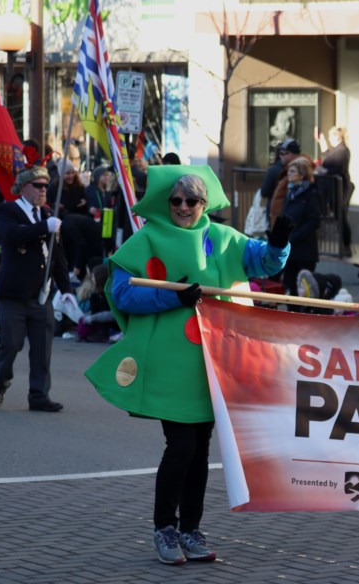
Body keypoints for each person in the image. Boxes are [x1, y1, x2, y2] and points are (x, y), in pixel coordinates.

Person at [84, 164, 291, 565]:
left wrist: (279, 244)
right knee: (181, 446)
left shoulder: (224, 238)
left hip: (214, 363)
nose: (182, 206)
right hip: (170, 362)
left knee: (199, 450)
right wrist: (173, 298)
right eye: (176, 200)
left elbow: (265, 263)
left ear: (204, 203)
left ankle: (191, 530)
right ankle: (164, 528)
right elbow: (123, 293)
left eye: (191, 200)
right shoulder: (148, 239)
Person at [0, 165, 72, 412]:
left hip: (41, 294)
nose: (43, 190)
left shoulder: (48, 215)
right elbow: (10, 236)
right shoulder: (8, 210)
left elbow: (58, 255)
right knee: (11, 345)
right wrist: (44, 228)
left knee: (42, 349)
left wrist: (66, 289)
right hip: (14, 294)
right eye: (38, 185)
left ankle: (38, 395)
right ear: (23, 187)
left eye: (46, 185)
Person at [280, 157, 322, 304]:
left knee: (303, 290)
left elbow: (314, 221)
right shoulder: (290, 192)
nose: (288, 175)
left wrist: (295, 236)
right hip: (290, 249)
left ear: (302, 174)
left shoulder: (311, 194)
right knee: (290, 286)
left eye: (292, 171)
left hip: (304, 251)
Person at [315, 126, 353, 256]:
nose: (330, 139)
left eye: (331, 136)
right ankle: (345, 246)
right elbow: (329, 157)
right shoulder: (338, 150)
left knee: (340, 217)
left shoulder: (342, 150)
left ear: (337, 137)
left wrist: (323, 171)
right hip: (332, 190)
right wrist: (322, 142)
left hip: (337, 190)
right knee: (338, 217)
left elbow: (337, 168)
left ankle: (345, 246)